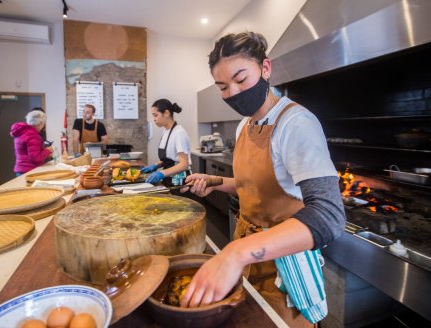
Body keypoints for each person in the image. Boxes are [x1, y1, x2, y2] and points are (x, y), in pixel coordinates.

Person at [180, 32, 346, 327]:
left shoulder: (296, 123)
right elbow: (253, 185)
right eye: (223, 87)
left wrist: (235, 253)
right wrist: (214, 181)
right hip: (247, 255)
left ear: (265, 69)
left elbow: (329, 215)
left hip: (283, 269)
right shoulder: (246, 125)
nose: (232, 93)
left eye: (241, 79)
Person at [141, 99, 191, 187]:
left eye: (156, 115)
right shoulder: (165, 131)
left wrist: (161, 173)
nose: (154, 119)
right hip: (168, 178)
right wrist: (156, 165)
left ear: (166, 113)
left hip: (179, 181)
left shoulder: (179, 133)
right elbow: (170, 159)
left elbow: (184, 164)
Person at [10, 110, 54, 175]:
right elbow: (35, 158)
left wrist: (44, 151)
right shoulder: (33, 135)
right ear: (41, 123)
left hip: (20, 169)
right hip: (30, 170)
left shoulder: (22, 132)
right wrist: (48, 150)